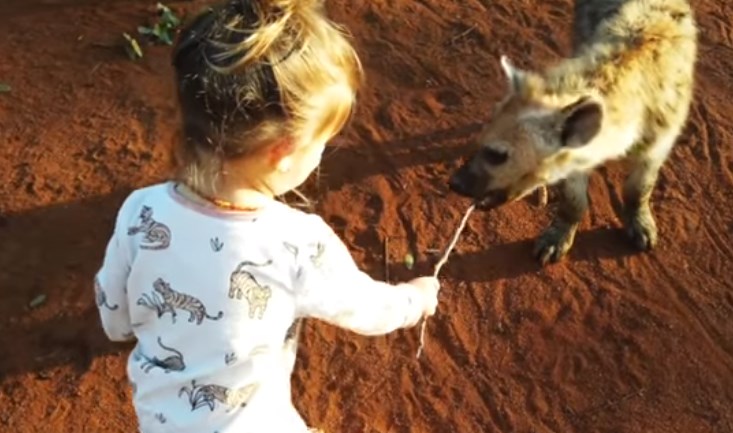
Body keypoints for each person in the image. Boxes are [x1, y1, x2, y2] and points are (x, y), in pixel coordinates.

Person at [93, 1, 440, 431]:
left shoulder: (140, 211)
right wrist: (416, 299)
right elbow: (367, 310)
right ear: (284, 152)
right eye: (322, 144)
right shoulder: (297, 243)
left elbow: (114, 318)